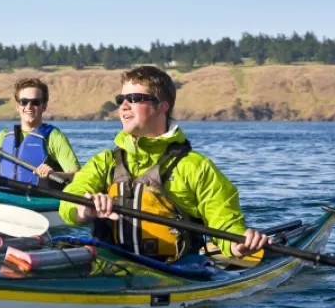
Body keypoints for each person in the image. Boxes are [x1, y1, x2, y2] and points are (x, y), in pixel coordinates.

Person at [57, 66, 269, 261]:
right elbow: (68, 201)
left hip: (178, 273)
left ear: (161, 107)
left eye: (135, 98)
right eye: (121, 98)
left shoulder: (196, 167)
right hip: (111, 269)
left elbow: (224, 224)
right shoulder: (104, 162)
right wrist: (84, 210)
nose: (123, 106)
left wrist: (237, 245)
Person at [0, 78, 80, 187]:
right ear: (17, 106)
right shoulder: (3, 137)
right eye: (24, 102)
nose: (29, 107)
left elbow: (77, 175)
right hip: (6, 198)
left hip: (39, 201)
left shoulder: (53, 137)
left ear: (44, 106)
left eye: (35, 102)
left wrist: (54, 174)